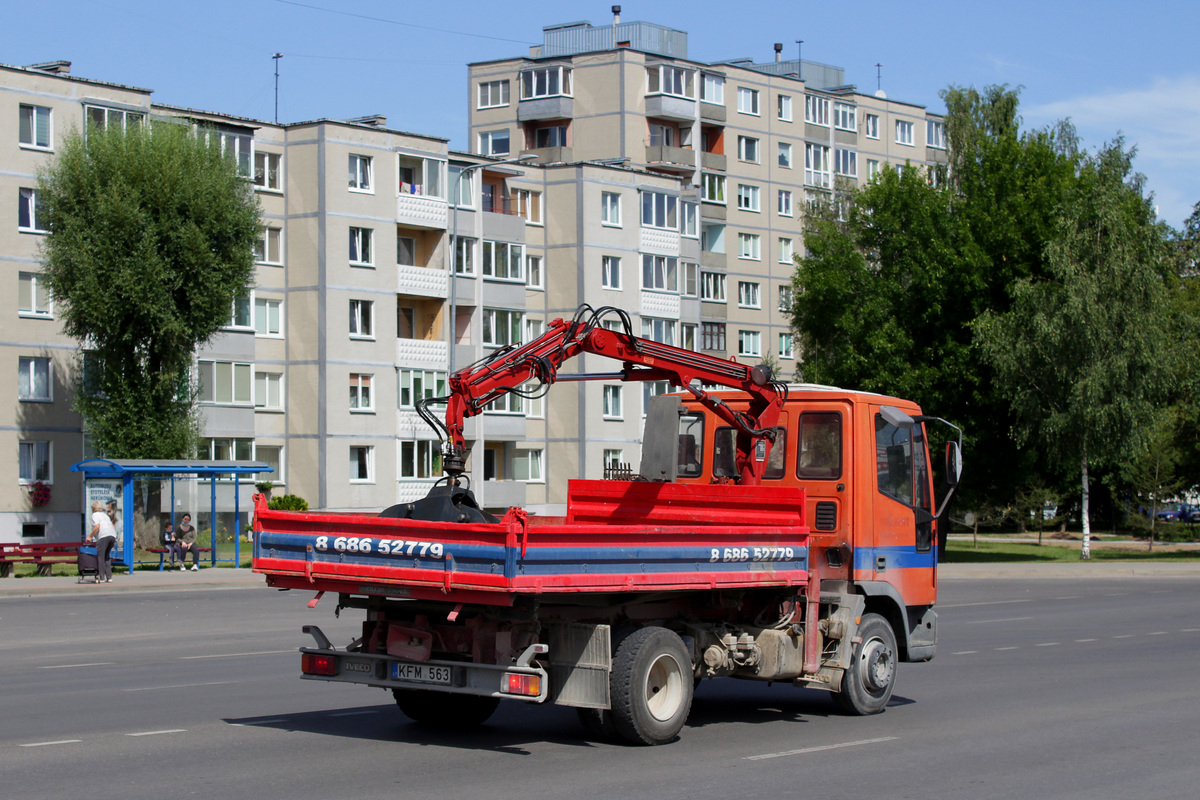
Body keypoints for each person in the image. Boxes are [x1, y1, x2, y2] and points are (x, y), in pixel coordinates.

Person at [87, 500, 118, 583]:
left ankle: (101, 577)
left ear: (93, 508)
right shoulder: (105, 515)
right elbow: (112, 526)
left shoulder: (95, 515)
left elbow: (97, 526)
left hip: (104, 536)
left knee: (100, 557)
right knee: (107, 556)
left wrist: (90, 536)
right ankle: (109, 577)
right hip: (112, 535)